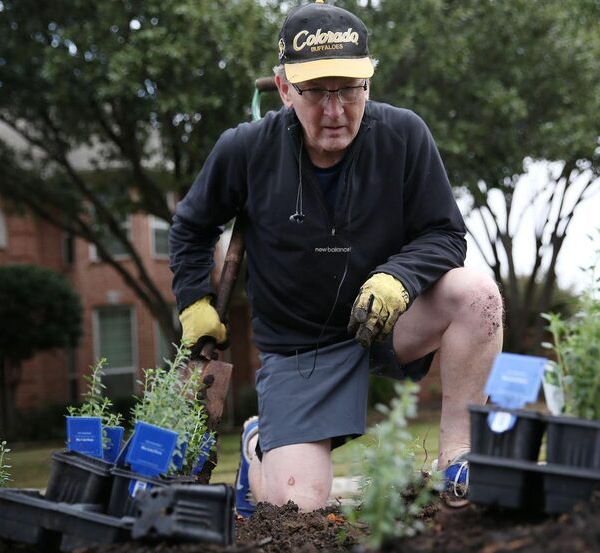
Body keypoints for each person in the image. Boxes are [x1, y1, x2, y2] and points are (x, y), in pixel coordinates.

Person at [169, 0, 503, 514]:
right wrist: (194, 302)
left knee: (477, 295)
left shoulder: (403, 136)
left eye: (349, 90)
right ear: (283, 90)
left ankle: (458, 458)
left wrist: (400, 278)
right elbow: (192, 226)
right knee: (294, 509)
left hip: (385, 320)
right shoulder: (245, 150)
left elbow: (445, 234)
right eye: (315, 93)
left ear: (369, 82)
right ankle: (261, 447)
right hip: (300, 350)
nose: (334, 111)